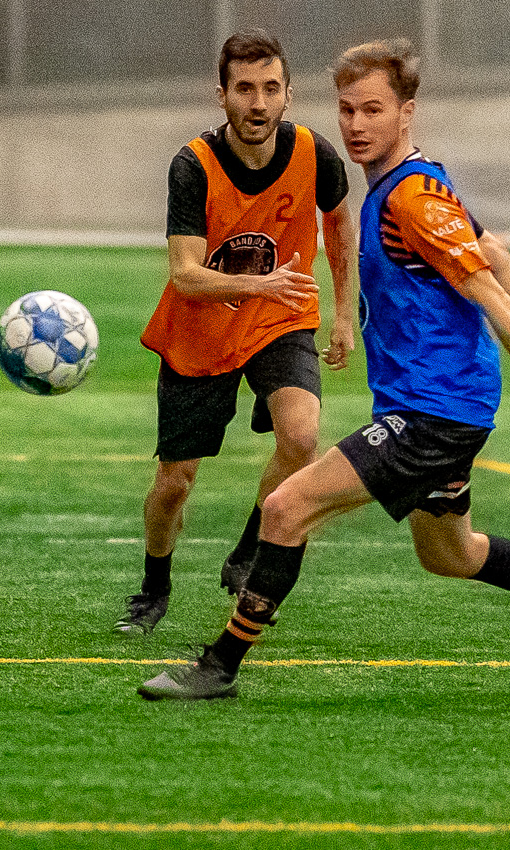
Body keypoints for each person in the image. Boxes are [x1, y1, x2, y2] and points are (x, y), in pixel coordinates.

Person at [139, 38, 510, 700]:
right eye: (346, 110)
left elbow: (484, 284)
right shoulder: (414, 183)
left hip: (432, 413)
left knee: (286, 508)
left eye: (372, 109)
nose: (355, 125)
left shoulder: (411, 200)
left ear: (407, 111)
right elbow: (497, 255)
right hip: (440, 408)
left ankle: (219, 665)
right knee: (450, 553)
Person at [116, 30, 358, 635]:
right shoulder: (192, 167)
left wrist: (346, 313)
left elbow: (339, 221)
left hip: (280, 320)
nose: (258, 102)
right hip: (201, 332)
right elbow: (187, 276)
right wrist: (261, 286)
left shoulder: (315, 154)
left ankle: (248, 551)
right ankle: (154, 584)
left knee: (301, 439)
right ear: (220, 95)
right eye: (244, 88)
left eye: (270, 88)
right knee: (175, 483)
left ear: (288, 95)